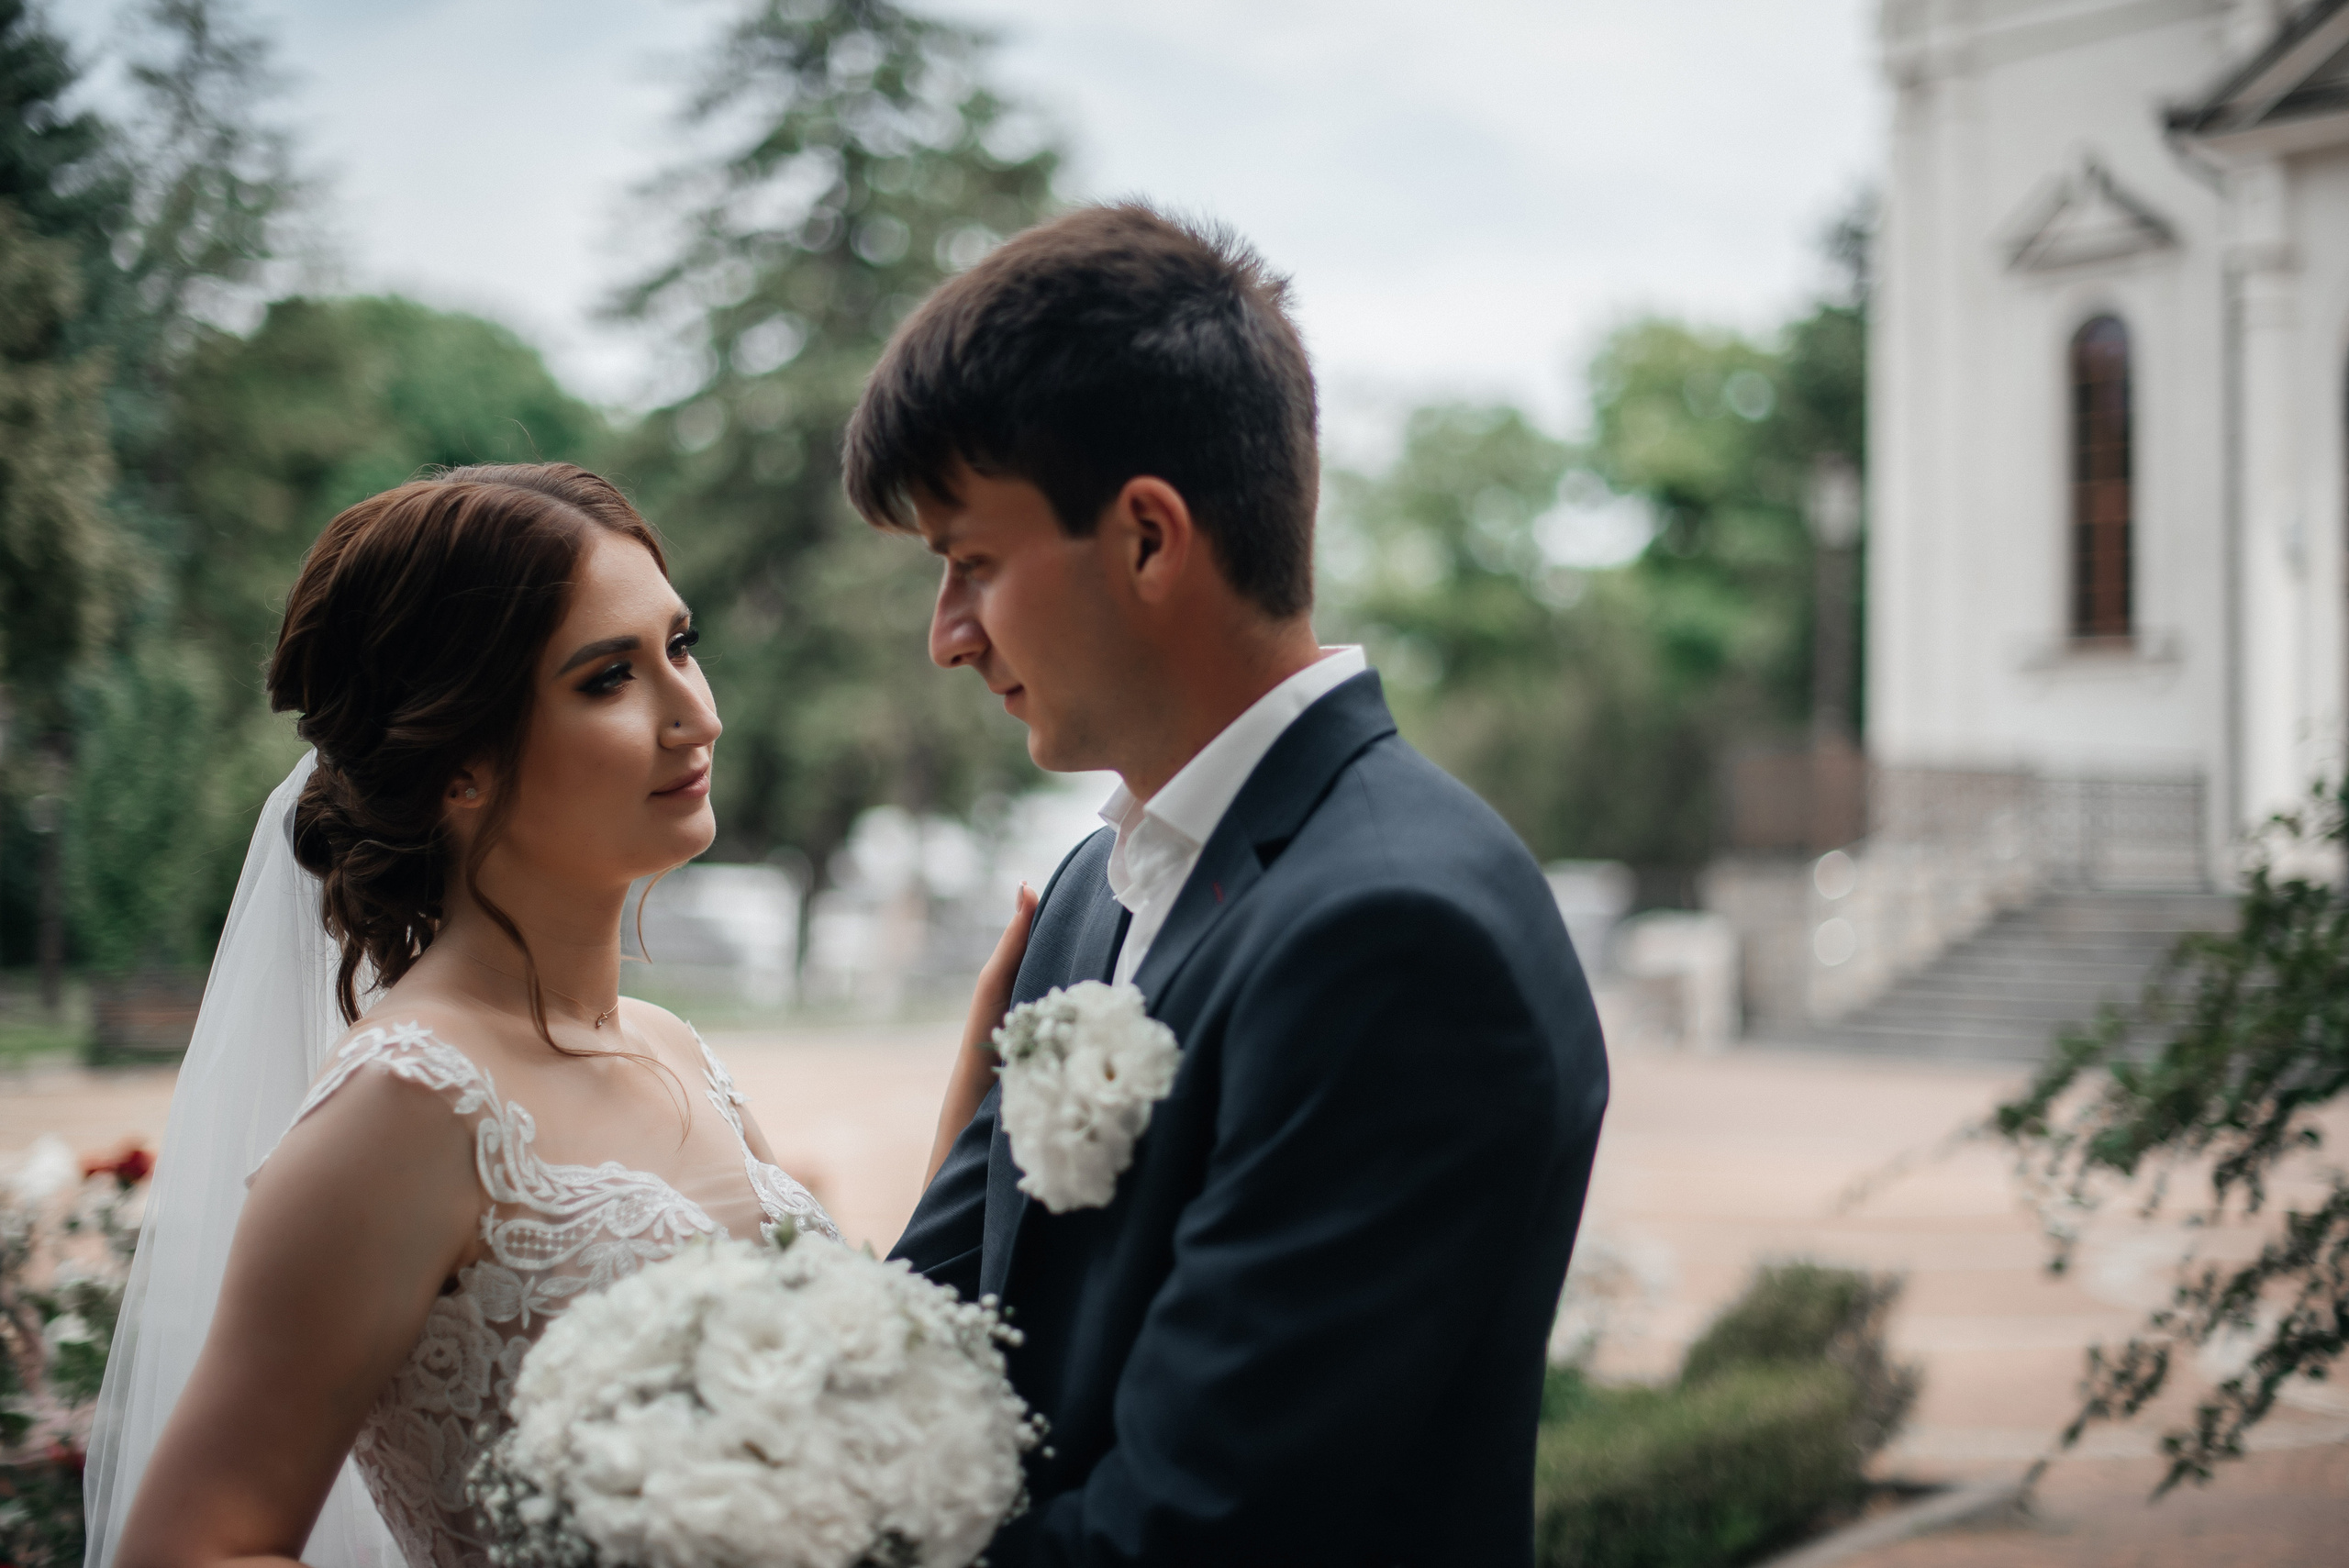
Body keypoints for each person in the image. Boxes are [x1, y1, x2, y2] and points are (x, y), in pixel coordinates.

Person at [84, 464, 1033, 1568]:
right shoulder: (409, 1102)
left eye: (681, 645)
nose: (699, 712)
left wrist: (985, 1073)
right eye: (606, 679)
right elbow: (188, 1545)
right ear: (462, 764)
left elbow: (841, 1384)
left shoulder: (675, 1046)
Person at [853, 205, 1611, 1566]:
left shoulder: (1396, 935)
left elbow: (1194, 1536)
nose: (945, 637)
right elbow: (929, 1337)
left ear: (1149, 538)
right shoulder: (1090, 888)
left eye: (970, 561)